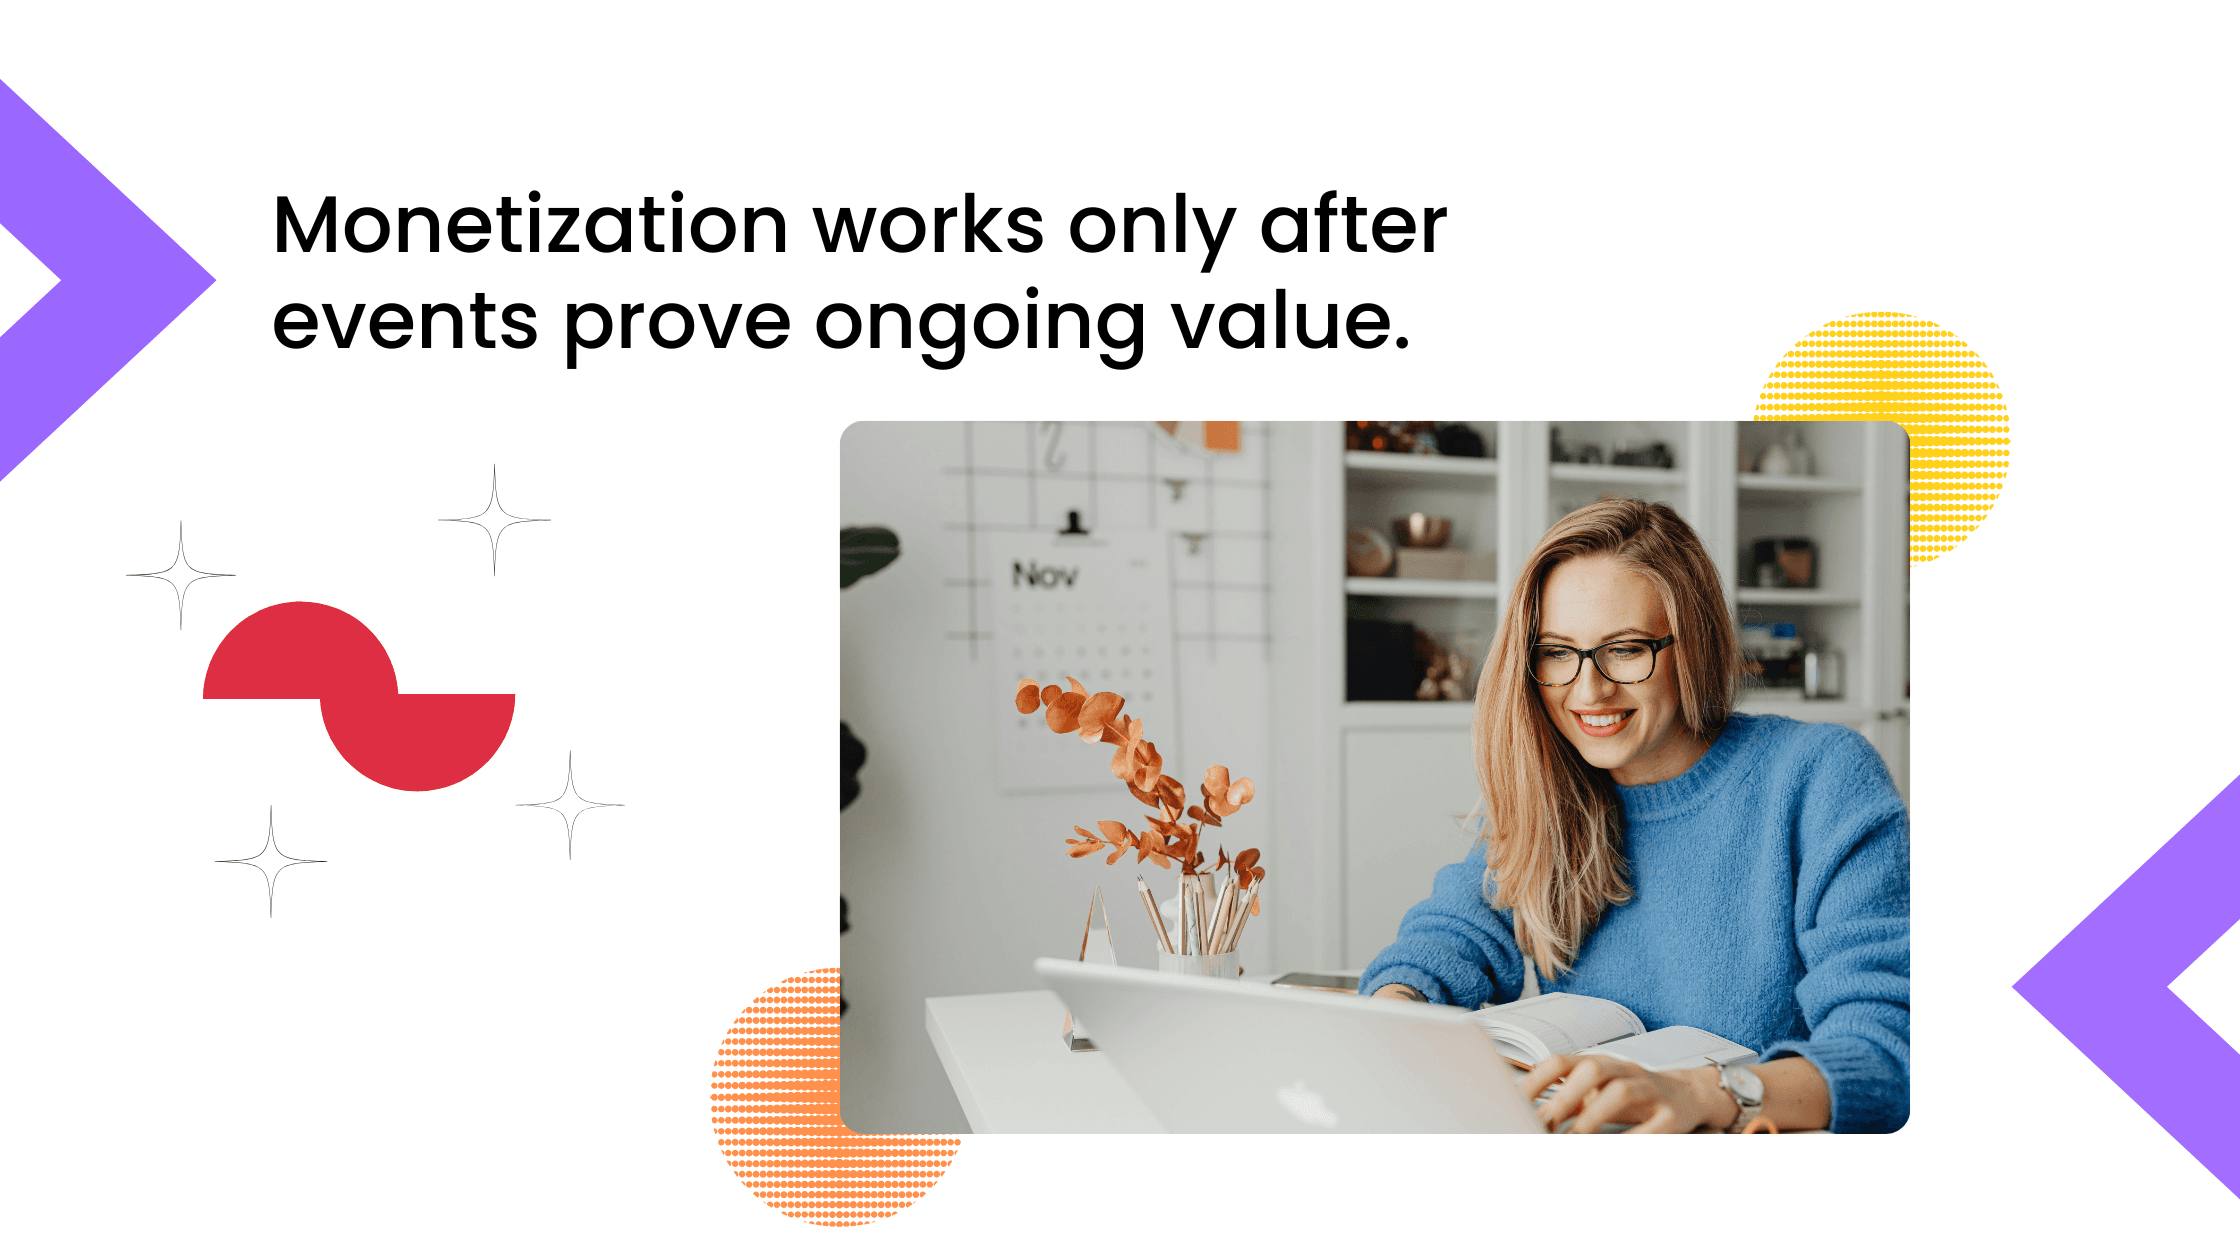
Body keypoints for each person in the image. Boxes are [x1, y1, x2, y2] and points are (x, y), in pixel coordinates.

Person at [1359, 497, 1908, 1133]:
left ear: (1693, 645)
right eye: (1558, 652)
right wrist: (1392, 1012)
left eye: (1624, 649)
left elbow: (1881, 1058)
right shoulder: (1555, 788)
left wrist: (1706, 1094)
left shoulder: (1819, 778)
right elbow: (1452, 936)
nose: (1588, 691)